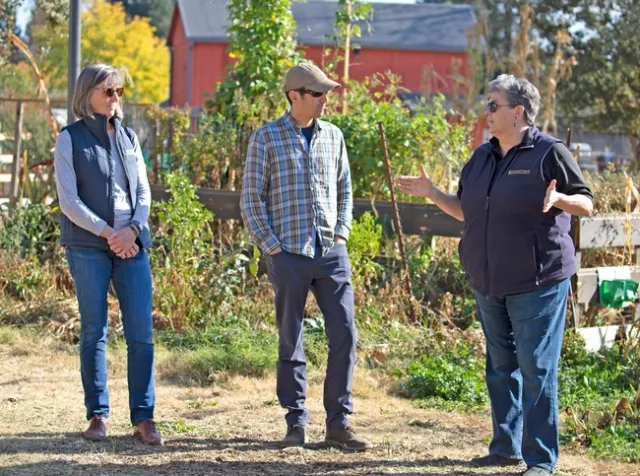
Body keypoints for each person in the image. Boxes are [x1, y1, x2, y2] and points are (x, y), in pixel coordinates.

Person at [396, 74, 593, 476]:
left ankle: (540, 460)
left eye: (492, 105)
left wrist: (559, 198)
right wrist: (433, 193)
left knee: (536, 368)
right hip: (488, 280)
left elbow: (586, 204)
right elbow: (467, 211)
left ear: (517, 111)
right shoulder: (481, 157)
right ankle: (505, 447)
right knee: (501, 367)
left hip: (537, 281)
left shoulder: (548, 152)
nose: (485, 112)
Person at [240, 63, 372, 451]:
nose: (324, 99)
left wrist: (343, 235)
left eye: (325, 92)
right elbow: (251, 198)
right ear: (293, 96)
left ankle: (338, 422)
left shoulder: (334, 135)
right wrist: (273, 247)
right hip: (289, 253)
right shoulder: (265, 138)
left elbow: (345, 190)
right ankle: (295, 423)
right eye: (316, 94)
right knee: (290, 338)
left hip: (331, 252)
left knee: (345, 334)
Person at [54, 63, 163, 445]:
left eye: (119, 91)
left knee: (141, 331)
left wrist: (131, 230)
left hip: (131, 242)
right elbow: (69, 202)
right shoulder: (69, 139)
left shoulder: (129, 137)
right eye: (109, 91)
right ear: (88, 96)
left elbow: (144, 192)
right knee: (93, 330)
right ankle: (97, 415)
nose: (117, 98)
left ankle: (144, 418)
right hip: (88, 245)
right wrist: (109, 234)